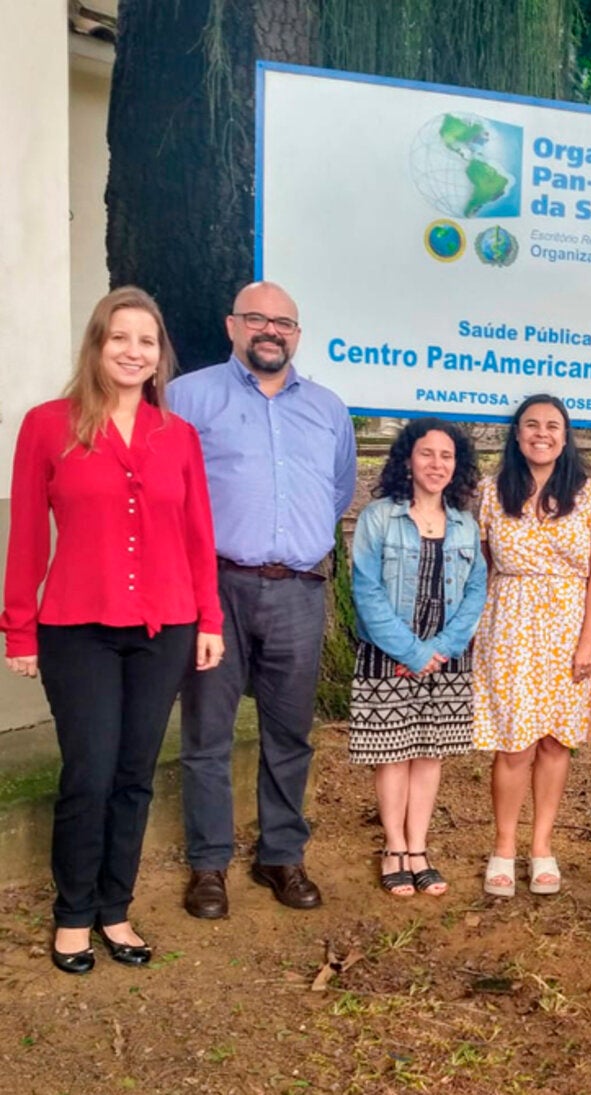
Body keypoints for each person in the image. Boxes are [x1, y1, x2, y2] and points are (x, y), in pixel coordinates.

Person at [1, 287, 224, 973]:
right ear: (97, 346)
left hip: (165, 627)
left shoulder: (176, 435)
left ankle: (114, 907)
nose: (133, 351)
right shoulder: (47, 425)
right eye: (119, 337)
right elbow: (28, 536)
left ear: (160, 355)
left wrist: (209, 618)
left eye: (147, 341)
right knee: (89, 771)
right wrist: (19, 629)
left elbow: (196, 533)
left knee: (134, 774)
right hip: (79, 629)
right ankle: (72, 914)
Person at [169, 281, 356, 917]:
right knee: (208, 735)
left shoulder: (328, 409)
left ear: (297, 335)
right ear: (232, 326)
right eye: (257, 319)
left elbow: (336, 493)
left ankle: (280, 854)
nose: (270, 330)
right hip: (214, 590)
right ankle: (209, 864)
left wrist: (292, 547)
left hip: (299, 592)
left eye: (283, 322)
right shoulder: (187, 398)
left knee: (289, 733)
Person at [473, 394, 591, 897]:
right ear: (516, 433)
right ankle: (504, 848)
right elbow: (485, 566)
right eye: (531, 425)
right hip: (509, 624)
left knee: (555, 740)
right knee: (515, 743)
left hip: (569, 628)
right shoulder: (492, 491)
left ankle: (542, 847)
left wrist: (588, 640)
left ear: (565, 435)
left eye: (552, 426)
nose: (542, 433)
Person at [350, 419, 488, 896]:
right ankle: (393, 847)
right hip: (389, 654)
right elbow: (366, 591)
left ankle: (419, 847)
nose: (436, 464)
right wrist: (410, 650)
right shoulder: (377, 517)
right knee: (392, 753)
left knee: (429, 753)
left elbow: (476, 591)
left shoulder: (466, 523)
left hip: (446, 658)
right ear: (408, 460)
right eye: (426, 454)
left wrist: (442, 650)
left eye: (446, 456)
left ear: (457, 465)